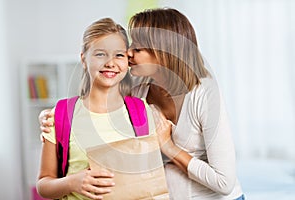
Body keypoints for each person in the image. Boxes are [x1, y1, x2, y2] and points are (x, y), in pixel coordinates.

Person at [39, 8, 245, 200]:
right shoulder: (138, 90)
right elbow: (98, 98)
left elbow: (224, 182)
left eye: (136, 47)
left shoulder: (204, 94)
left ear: (162, 53)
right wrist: (53, 116)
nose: (128, 54)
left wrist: (169, 148)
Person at [36, 18, 156, 200]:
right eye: (100, 54)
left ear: (127, 61)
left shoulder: (142, 111)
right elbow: (44, 184)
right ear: (84, 59)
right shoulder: (59, 115)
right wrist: (72, 182)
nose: (110, 63)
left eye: (119, 55)